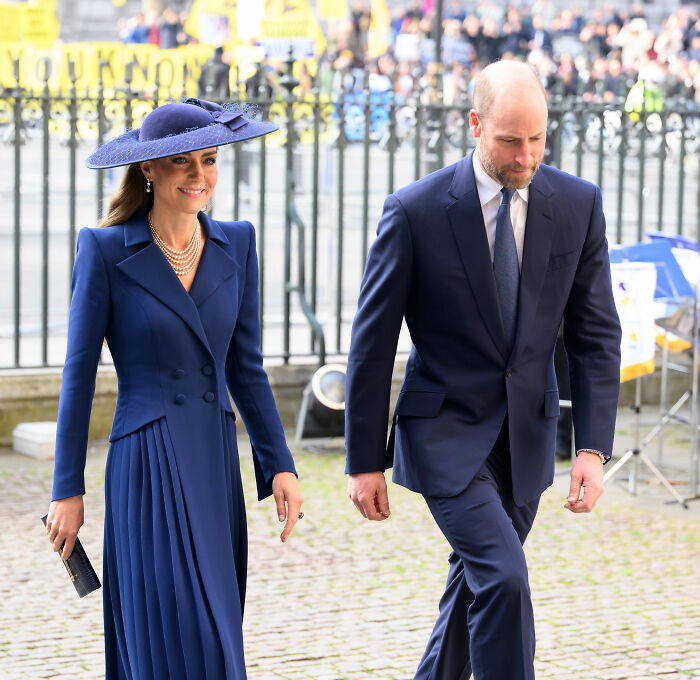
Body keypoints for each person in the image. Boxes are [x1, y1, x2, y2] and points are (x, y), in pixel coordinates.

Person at [345, 60, 621, 680]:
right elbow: (372, 340)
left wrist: (592, 449)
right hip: (442, 433)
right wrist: (365, 459)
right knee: (503, 579)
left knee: (473, 589)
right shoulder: (413, 211)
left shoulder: (578, 205)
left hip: (528, 438)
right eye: (509, 140)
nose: (525, 156)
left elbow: (596, 334)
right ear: (475, 125)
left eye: (537, 139)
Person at [45, 98, 303, 679]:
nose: (199, 176)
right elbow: (78, 375)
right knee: (167, 634)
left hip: (214, 466)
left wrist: (279, 463)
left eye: (209, 160)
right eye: (182, 162)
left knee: (216, 632)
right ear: (149, 170)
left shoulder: (237, 243)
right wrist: (68, 490)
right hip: (146, 468)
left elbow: (248, 368)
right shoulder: (106, 250)